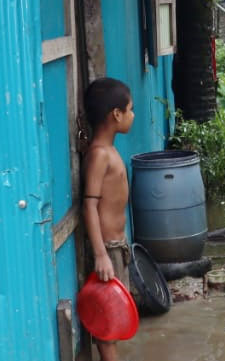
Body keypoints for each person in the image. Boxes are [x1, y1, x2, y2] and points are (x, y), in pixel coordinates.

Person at [82, 77, 137, 361]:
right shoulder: (99, 155)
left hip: (118, 246)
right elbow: (89, 206)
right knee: (107, 331)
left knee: (114, 321)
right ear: (116, 114)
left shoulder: (110, 151)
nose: (133, 115)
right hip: (108, 249)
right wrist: (101, 255)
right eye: (129, 109)